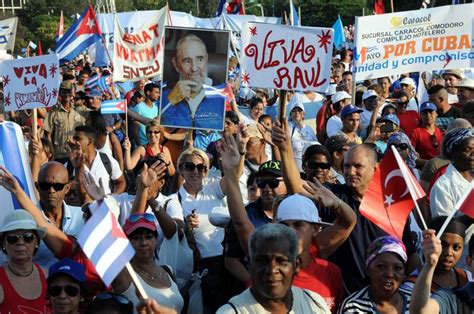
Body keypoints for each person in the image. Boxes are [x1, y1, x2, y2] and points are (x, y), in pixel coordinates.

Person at [217, 224, 331, 313]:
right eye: (262, 261)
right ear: (250, 266)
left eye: (281, 261)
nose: (272, 270)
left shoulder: (314, 302)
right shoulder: (231, 312)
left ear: (296, 265)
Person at [112, 214, 184, 313]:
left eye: (149, 237)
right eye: (136, 238)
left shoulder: (168, 271)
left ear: (156, 239)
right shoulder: (124, 273)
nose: (143, 243)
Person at [160, 34, 225, 130]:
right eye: (187, 61)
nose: (194, 68)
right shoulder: (162, 92)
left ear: (206, 60)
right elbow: (157, 127)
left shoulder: (222, 92)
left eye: (199, 59)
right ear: (176, 64)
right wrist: (170, 101)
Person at [339, 236, 412, 313]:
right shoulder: (353, 306)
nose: (390, 274)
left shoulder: (416, 300)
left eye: (397, 268)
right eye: (381, 266)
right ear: (367, 270)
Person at [409, 229, 474, 314]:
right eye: (444, 245)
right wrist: (430, 264)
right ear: (469, 262)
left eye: (456, 247)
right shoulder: (452, 300)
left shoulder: (464, 276)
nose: (449, 253)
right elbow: (421, 311)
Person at [405, 216, 471, 292]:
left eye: (456, 247)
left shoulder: (467, 278)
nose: (449, 253)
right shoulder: (412, 286)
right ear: (427, 243)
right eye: (442, 245)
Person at [0, 210, 48, 312]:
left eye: (28, 237)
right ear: (3, 244)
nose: (21, 243)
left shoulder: (49, 277)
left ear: (37, 242)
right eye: (13, 238)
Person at [69, 125, 126, 195]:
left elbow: (121, 182)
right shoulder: (70, 165)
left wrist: (112, 197)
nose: (73, 142)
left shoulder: (107, 161)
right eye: (74, 139)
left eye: (77, 139)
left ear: (89, 141)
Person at [43, 82, 89, 163]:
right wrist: (52, 152)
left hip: (76, 153)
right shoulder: (53, 112)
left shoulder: (78, 111)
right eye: (64, 92)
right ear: (59, 93)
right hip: (60, 155)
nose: (66, 95)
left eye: (69, 92)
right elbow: (48, 134)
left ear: (72, 93)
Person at [410, 102, 443, 168]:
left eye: (431, 112)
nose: (428, 115)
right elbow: (411, 155)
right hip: (423, 169)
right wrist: (429, 163)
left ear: (436, 114)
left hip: (441, 167)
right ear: (420, 115)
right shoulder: (415, 132)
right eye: (425, 113)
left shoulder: (441, 131)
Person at [288, 102, 318, 171]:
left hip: (310, 166)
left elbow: (317, 145)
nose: (297, 113)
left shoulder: (309, 128)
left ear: (303, 114)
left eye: (299, 110)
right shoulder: (288, 127)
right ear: (290, 114)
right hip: (295, 167)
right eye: (294, 111)